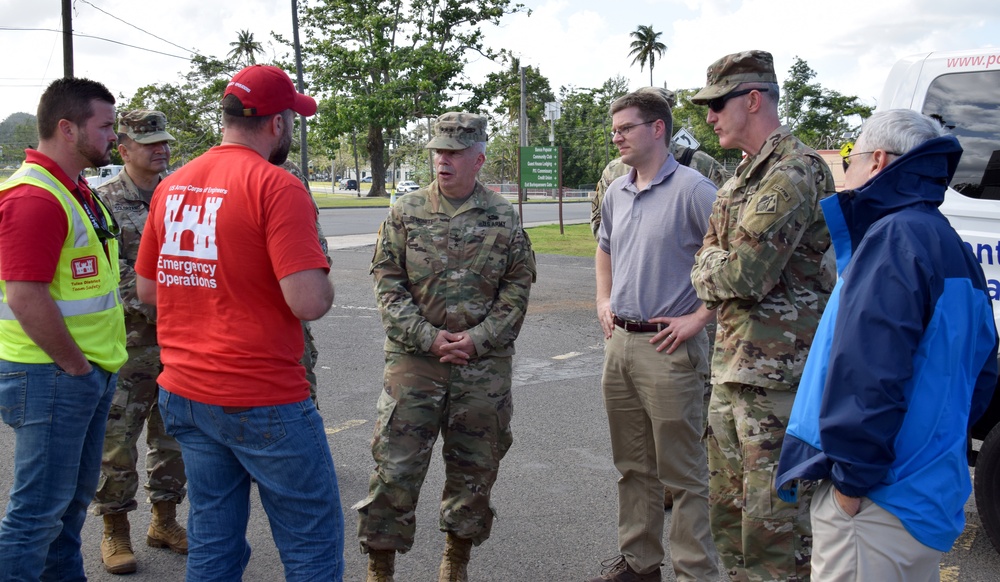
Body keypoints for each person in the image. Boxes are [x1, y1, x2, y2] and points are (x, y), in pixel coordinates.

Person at [134, 64, 344, 581]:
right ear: (277, 124)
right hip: (262, 395)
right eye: (292, 119)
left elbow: (147, 290)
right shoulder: (277, 185)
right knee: (311, 545)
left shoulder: (174, 185)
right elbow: (309, 302)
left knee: (213, 539)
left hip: (186, 391)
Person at [775, 110, 999, 580]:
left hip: (877, 502)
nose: (845, 172)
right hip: (928, 491)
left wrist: (851, 484)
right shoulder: (948, 243)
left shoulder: (893, 238)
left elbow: (867, 372)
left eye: (850, 158)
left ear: (877, 160)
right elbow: (982, 373)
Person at [356, 111, 536, 582]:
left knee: (475, 470)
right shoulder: (405, 212)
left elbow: (517, 289)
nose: (443, 159)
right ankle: (380, 566)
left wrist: (477, 340)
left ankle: (456, 560)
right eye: (438, 150)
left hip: (482, 369)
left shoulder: (503, 215)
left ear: (479, 158)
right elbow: (386, 282)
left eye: (455, 152)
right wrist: (426, 336)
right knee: (394, 468)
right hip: (415, 363)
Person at [688, 50, 836, 582]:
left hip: (779, 383)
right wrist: (713, 266)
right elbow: (708, 260)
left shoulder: (793, 171)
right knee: (730, 520)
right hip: (734, 369)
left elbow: (743, 274)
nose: (709, 117)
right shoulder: (740, 179)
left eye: (717, 104)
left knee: (776, 530)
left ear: (752, 100)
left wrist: (711, 267)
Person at [588, 89, 719, 582]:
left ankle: (692, 573)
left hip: (671, 349)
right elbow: (605, 248)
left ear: (657, 128)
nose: (617, 136)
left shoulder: (694, 189)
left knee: (683, 476)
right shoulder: (617, 190)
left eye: (626, 128)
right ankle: (640, 564)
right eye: (615, 129)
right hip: (620, 344)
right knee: (633, 467)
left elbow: (735, 263)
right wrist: (604, 301)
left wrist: (699, 318)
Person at [0, 77, 127, 580]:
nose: (113, 138)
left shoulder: (75, 190)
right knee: (36, 515)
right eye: (106, 127)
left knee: (68, 511)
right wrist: (76, 367)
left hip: (79, 372)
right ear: (67, 128)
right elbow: (24, 294)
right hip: (52, 374)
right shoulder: (35, 197)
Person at [93, 109, 187, 575]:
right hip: (129, 344)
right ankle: (115, 531)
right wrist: (166, 302)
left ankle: (164, 522)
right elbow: (109, 269)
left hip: (180, 344)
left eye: (164, 141)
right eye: (149, 142)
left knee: (172, 440)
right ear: (123, 147)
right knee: (118, 442)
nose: (161, 149)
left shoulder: (183, 195)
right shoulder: (103, 201)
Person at [589, 87, 730, 241]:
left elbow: (730, 223)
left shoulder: (700, 164)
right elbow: (599, 224)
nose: (617, 138)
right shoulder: (614, 171)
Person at [280, 159, 333, 406]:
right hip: (253, 317)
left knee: (302, 393)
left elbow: (313, 232)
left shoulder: (288, 170)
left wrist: (316, 269)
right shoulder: (227, 170)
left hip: (291, 310)